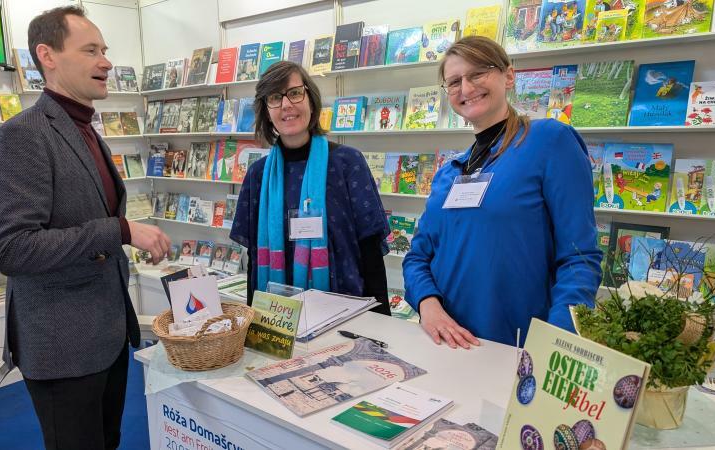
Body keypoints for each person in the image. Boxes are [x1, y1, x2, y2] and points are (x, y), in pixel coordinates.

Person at [0, 6, 170, 450]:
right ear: (47, 55)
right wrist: (119, 230)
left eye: (104, 49)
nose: (106, 61)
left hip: (106, 337)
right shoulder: (21, 136)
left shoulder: (84, 130)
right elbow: (13, 249)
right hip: (62, 348)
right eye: (90, 50)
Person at [402, 36, 601, 349]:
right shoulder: (449, 172)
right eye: (454, 82)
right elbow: (417, 257)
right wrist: (428, 306)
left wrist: (554, 345)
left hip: (516, 347)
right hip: (444, 347)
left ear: (508, 76)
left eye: (477, 73)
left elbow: (579, 257)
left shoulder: (549, 141)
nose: (466, 88)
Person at [230, 61, 391, 314]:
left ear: (311, 101)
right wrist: (254, 324)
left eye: (295, 93)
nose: (286, 105)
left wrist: (380, 324)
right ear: (266, 111)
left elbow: (371, 251)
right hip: (277, 318)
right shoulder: (257, 175)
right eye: (275, 97)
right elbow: (254, 258)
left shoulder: (348, 163)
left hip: (345, 313)